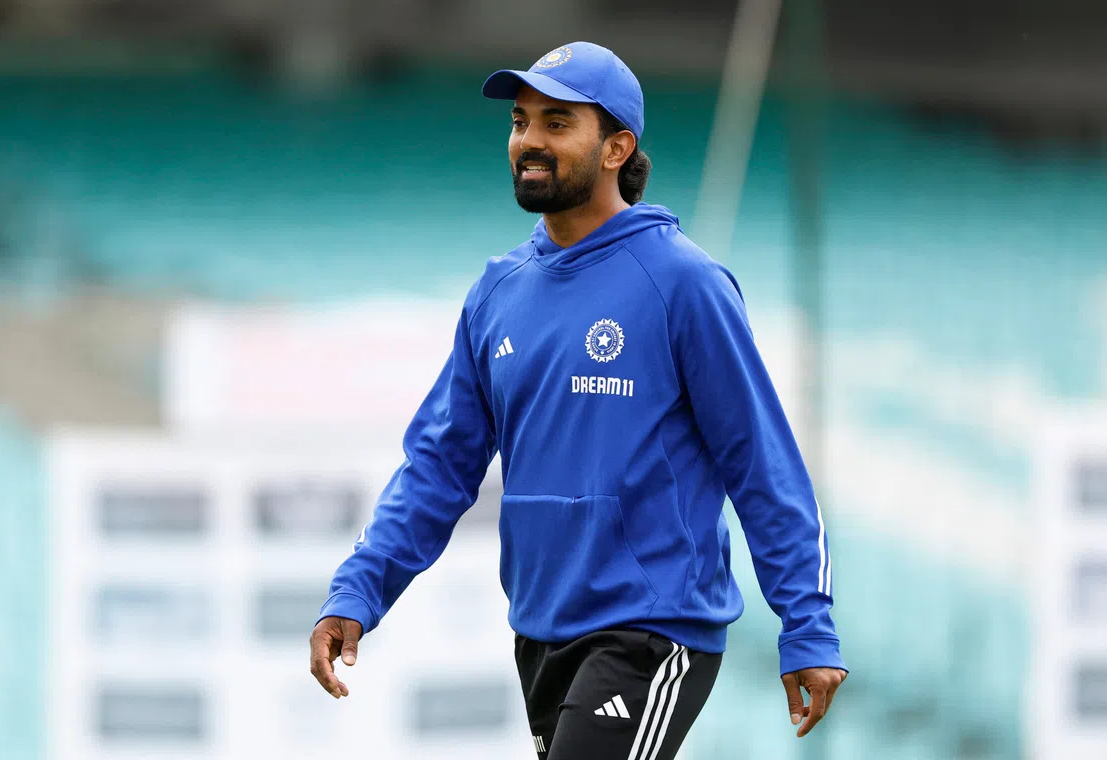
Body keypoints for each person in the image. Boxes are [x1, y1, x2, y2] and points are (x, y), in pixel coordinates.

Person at [309, 41, 847, 759]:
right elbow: (439, 466)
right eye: (520, 121)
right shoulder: (497, 292)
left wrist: (806, 623)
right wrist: (359, 591)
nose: (528, 140)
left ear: (617, 147)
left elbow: (761, 463)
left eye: (556, 123)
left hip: (652, 630)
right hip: (540, 630)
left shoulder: (684, 284)